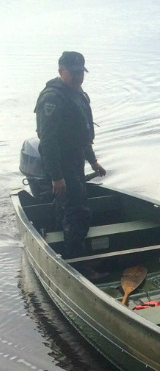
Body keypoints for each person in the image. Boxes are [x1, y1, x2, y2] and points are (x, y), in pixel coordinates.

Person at [35, 51, 106, 259]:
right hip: (61, 163)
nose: (78, 77)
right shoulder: (52, 98)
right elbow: (47, 141)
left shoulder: (77, 93)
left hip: (76, 161)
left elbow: (82, 133)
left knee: (70, 204)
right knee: (79, 211)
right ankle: (77, 261)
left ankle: (60, 231)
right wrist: (56, 176)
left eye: (80, 72)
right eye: (73, 73)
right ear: (61, 71)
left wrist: (93, 161)